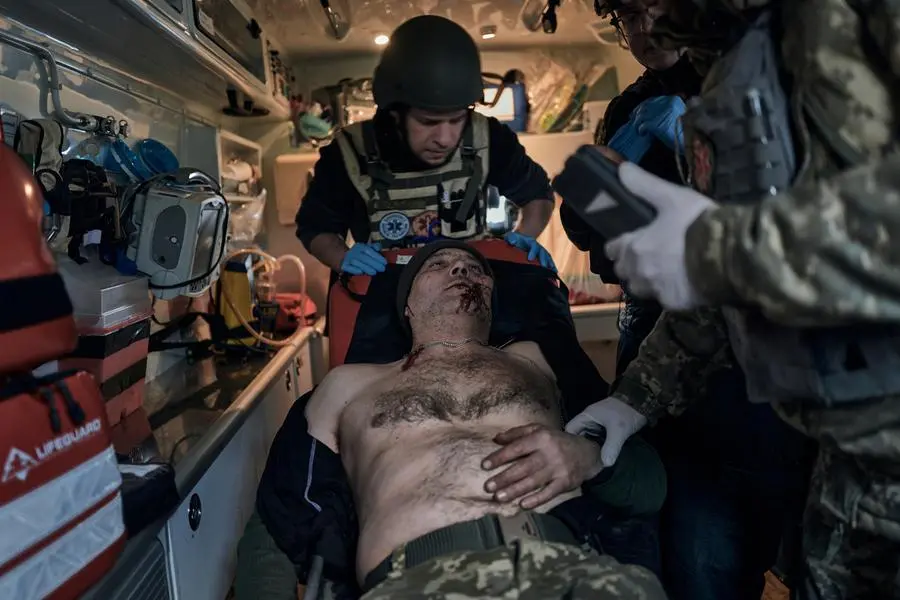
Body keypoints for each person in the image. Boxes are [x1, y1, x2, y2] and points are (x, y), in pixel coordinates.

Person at [566, 0, 900, 597]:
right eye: (627, 13)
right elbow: (727, 290)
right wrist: (635, 400)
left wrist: (721, 247)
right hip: (851, 466)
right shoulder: (732, 61)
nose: (643, 24)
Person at [301, 241, 666, 598]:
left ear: (491, 302)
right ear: (407, 305)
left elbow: (651, 485)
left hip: (565, 570)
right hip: (415, 578)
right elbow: (282, 521)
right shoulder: (349, 384)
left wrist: (588, 459)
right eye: (437, 265)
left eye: (477, 269)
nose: (461, 269)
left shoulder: (540, 362)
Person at [295, 15, 556, 278]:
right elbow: (315, 226)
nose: (445, 138)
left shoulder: (489, 137)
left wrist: (524, 237)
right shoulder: (349, 152)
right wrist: (342, 257)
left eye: (457, 119)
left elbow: (538, 193)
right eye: (428, 121)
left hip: (470, 289)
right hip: (389, 293)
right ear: (395, 113)